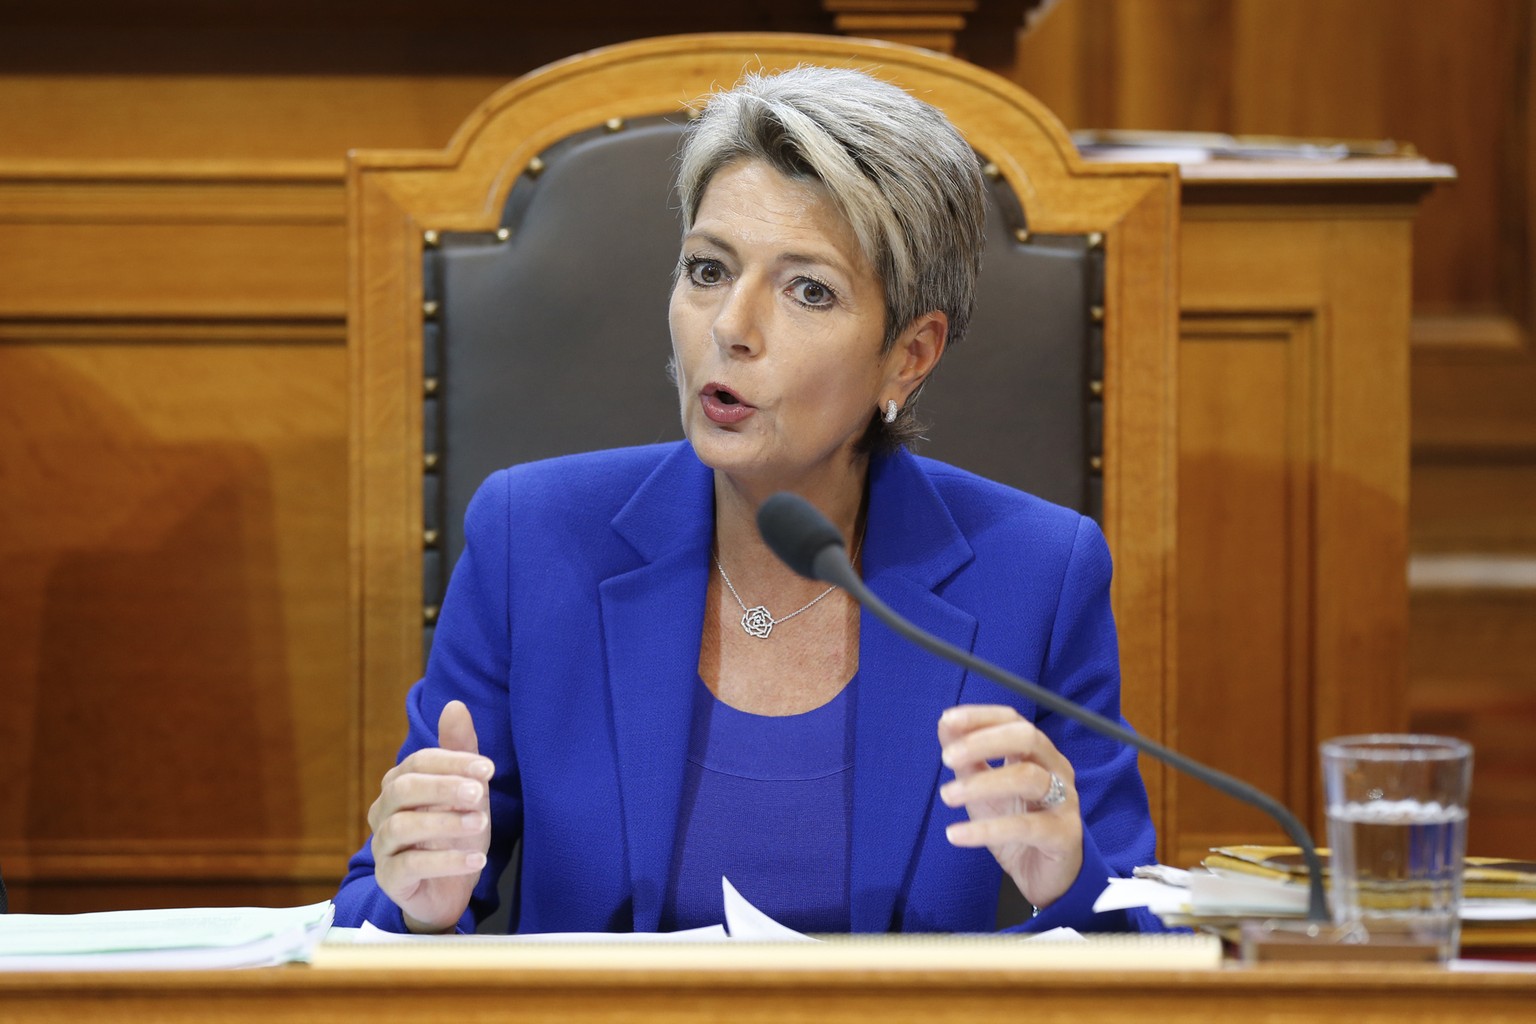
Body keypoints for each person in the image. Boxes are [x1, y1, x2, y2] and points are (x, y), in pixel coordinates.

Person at [335, 64, 1162, 936]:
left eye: (810, 290)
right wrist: (419, 911)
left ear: (909, 356)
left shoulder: (1035, 572)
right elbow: (369, 912)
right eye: (708, 269)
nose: (732, 326)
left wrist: (1069, 882)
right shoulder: (531, 540)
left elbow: (1151, 937)